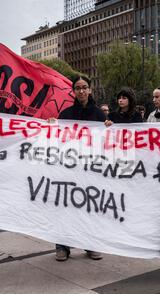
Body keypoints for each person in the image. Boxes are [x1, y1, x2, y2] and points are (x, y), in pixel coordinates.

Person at [55, 75, 105, 262]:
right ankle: (62, 246)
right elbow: (56, 140)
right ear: (73, 91)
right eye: (78, 88)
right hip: (69, 168)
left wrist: (110, 128)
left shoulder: (100, 115)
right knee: (65, 206)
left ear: (90, 89)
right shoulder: (65, 114)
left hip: (91, 169)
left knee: (89, 207)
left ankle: (90, 244)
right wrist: (51, 126)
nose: (81, 91)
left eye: (85, 87)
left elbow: (106, 142)